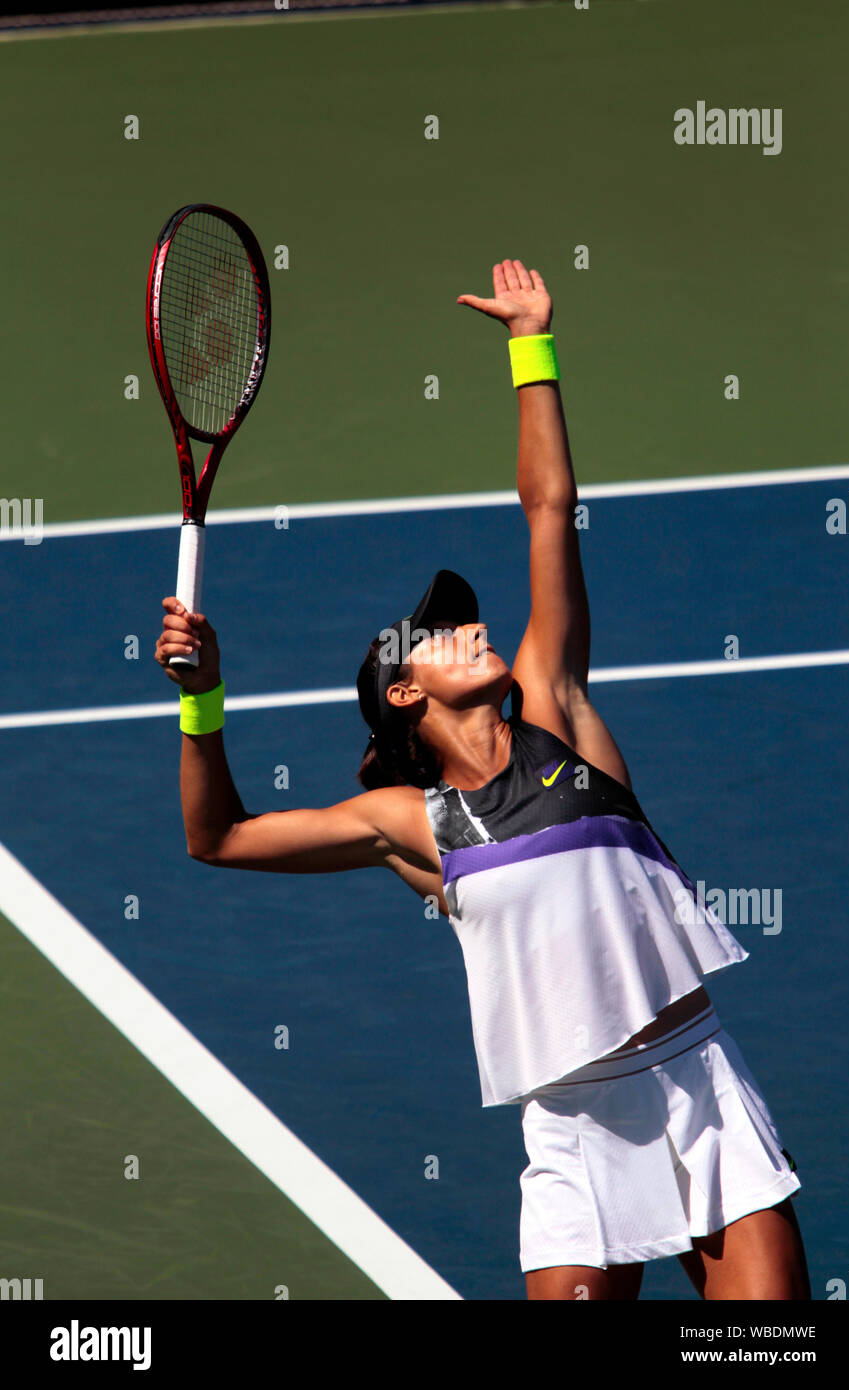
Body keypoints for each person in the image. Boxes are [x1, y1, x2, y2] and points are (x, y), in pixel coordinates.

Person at [155, 259, 809, 1301]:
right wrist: (204, 698)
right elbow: (218, 836)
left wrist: (529, 349)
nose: (467, 628)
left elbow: (548, 510)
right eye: (435, 633)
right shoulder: (413, 824)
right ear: (404, 695)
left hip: (693, 1083)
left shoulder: (556, 714)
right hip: (570, 1124)